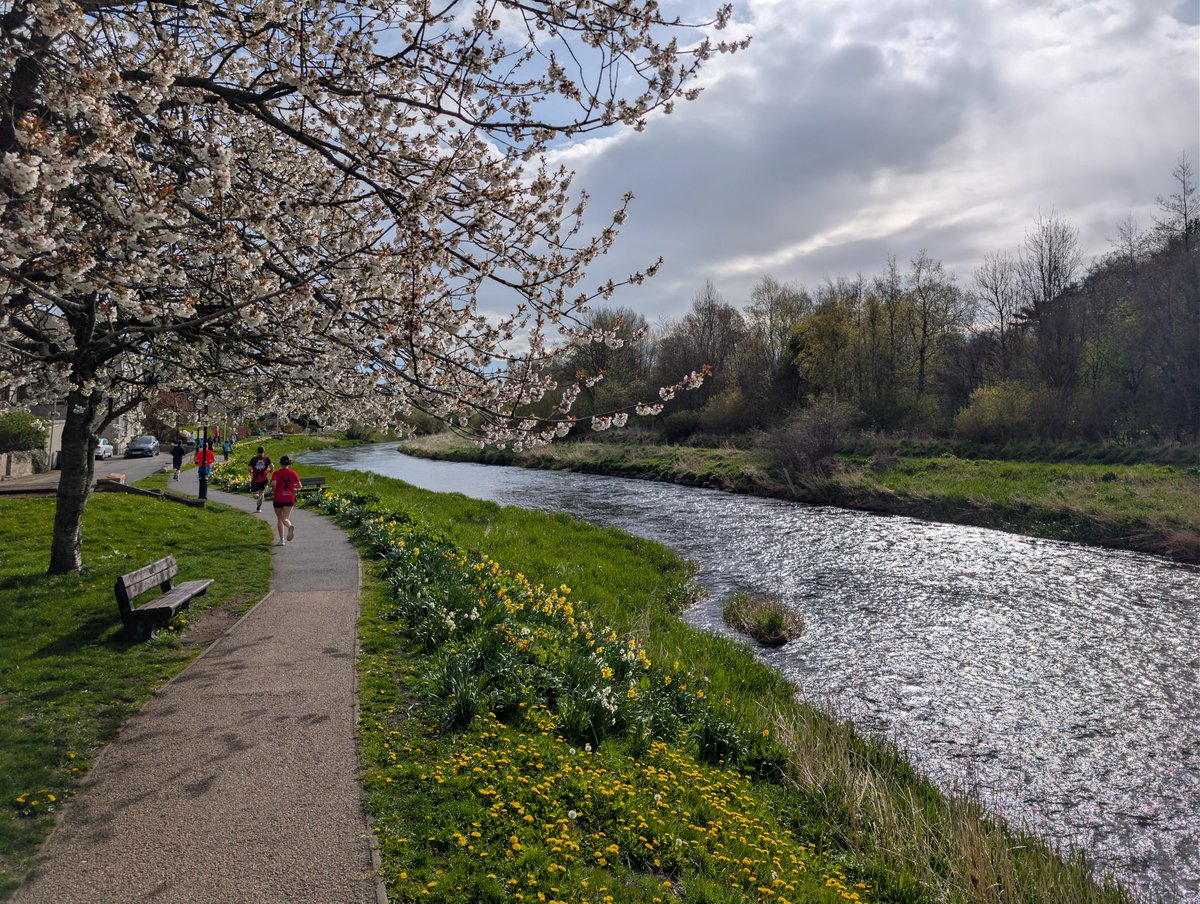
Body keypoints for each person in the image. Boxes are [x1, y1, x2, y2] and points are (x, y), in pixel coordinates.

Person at [269, 455, 301, 546]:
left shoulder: (276, 473)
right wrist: (291, 487)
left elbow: (274, 484)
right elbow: (299, 486)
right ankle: (289, 525)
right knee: (285, 518)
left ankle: (282, 540)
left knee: (279, 519)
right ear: (289, 463)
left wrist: (273, 487)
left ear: (280, 463)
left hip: (279, 498)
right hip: (290, 497)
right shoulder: (293, 472)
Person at [248, 446, 272, 513]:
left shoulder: (254, 459)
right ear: (264, 451)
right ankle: (258, 508)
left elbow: (249, 468)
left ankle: (258, 497)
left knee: (255, 495)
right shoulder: (266, 459)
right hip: (264, 479)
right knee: (262, 493)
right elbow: (272, 466)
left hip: (255, 479)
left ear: (257, 451)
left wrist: (251, 471)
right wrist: (270, 470)